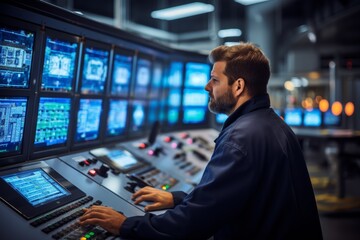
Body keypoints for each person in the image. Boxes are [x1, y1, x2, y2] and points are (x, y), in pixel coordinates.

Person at [79, 42, 323, 240]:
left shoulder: (240, 139)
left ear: (238, 86)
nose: (207, 87)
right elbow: (233, 197)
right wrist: (178, 199)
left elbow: (193, 225)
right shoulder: (271, 123)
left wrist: (125, 225)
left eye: (215, 80)